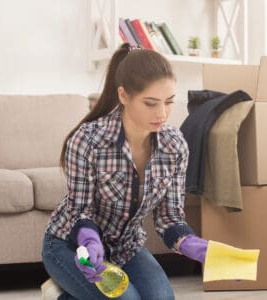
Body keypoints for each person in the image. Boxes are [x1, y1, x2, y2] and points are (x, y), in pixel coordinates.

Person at [41, 43, 208, 300]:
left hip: (125, 248)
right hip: (71, 246)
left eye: (169, 102)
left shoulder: (174, 145)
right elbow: (80, 210)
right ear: (123, 95)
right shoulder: (88, 139)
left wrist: (190, 244)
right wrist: (89, 239)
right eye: (150, 103)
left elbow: (169, 217)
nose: (162, 114)